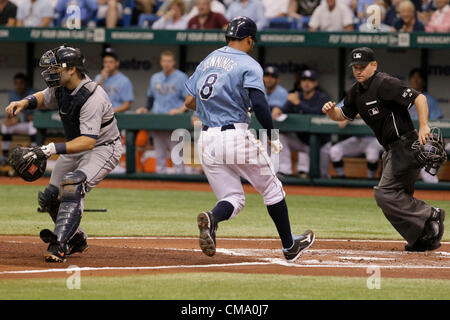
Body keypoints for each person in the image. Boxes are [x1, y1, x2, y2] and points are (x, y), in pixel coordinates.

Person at [184, 16, 315, 262]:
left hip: (206, 138)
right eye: (252, 40)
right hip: (233, 135)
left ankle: (212, 218)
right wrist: (271, 133)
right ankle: (289, 246)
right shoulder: (249, 64)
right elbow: (260, 105)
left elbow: (189, 102)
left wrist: (214, 109)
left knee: (233, 198)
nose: (252, 44)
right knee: (272, 188)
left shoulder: (209, 59)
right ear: (247, 39)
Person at [4, 45, 122, 262]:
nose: (51, 72)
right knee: (49, 198)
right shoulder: (61, 87)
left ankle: (59, 245)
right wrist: (23, 102)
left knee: (73, 184)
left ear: (72, 70)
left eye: (57, 68)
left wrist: (49, 149)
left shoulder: (92, 95)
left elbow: (88, 142)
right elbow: (42, 97)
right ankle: (76, 239)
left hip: (103, 147)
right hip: (77, 146)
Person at [322, 47, 445, 252]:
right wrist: (330, 112)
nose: (358, 71)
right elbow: (341, 115)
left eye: (363, 66)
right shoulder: (356, 91)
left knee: (385, 194)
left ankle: (430, 214)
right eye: (355, 67)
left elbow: (419, 98)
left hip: (405, 145)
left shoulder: (384, 83)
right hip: (390, 150)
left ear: (374, 65)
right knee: (397, 196)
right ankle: (422, 238)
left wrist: (424, 126)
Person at [272, 69, 331, 178]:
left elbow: (318, 114)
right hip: (303, 142)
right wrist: (278, 109)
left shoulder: (321, 97)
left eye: (310, 80)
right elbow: (283, 110)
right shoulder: (296, 95)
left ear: (315, 83)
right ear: (300, 83)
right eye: (304, 80)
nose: (307, 83)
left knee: (322, 176)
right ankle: (285, 170)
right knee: (280, 136)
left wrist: (298, 103)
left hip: (320, 144)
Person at [136, 50, 188, 174]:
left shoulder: (181, 77)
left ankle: (180, 183)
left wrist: (180, 110)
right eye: (164, 61)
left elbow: (189, 99)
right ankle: (161, 184)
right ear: (160, 62)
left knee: (177, 157)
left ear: (174, 62)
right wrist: (146, 108)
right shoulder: (155, 78)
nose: (166, 64)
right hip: (158, 121)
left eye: (169, 61)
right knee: (159, 155)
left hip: (174, 122)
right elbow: (151, 98)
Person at [329, 101, 384, 179]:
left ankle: (371, 179)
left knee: (372, 155)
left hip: (374, 139)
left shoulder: (375, 96)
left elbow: (372, 112)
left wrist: (349, 116)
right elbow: (336, 110)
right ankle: (341, 178)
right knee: (334, 151)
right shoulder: (352, 96)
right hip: (357, 138)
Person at [408, 68, 444, 183]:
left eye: (419, 78)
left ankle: (435, 190)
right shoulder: (404, 98)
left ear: (423, 81)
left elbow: (437, 122)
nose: (416, 80)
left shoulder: (429, 100)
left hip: (424, 139)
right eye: (413, 78)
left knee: (427, 157)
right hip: (405, 139)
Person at [0, 73, 37, 165]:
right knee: (5, 126)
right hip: (21, 124)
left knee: (33, 125)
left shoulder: (33, 93)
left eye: (21, 83)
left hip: (30, 125)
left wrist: (19, 119)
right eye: (16, 83)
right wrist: (8, 119)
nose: (18, 86)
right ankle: (4, 156)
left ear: (26, 84)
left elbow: (36, 117)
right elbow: (10, 113)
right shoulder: (13, 94)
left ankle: (34, 156)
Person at [94, 48, 134, 113]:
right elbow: (93, 98)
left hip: (118, 116)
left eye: (111, 62)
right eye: (105, 62)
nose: (107, 65)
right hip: (100, 115)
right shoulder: (98, 78)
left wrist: (111, 112)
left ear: (117, 63)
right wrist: (101, 79)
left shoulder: (124, 80)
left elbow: (127, 104)